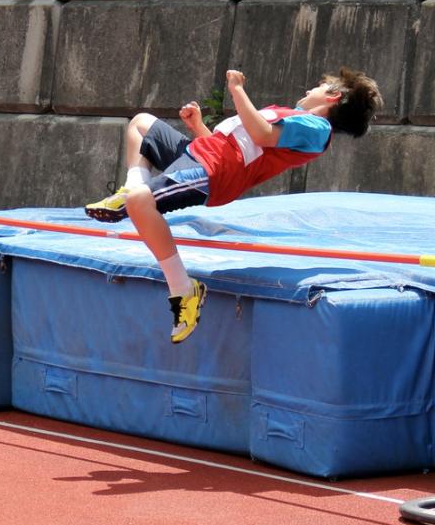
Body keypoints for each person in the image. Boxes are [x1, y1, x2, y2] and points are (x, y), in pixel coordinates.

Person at [85, 67, 383, 343]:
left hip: (214, 172)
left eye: (316, 88)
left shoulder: (316, 128)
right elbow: (236, 145)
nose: (307, 91)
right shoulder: (289, 114)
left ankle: (183, 289)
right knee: (141, 123)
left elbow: (261, 136)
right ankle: (131, 188)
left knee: (140, 202)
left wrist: (238, 90)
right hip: (203, 154)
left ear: (333, 96)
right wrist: (199, 127)